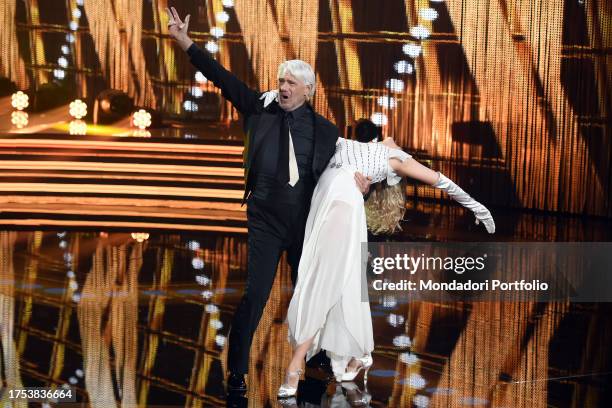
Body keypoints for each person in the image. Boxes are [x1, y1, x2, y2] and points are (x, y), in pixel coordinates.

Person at [165, 7, 371, 393]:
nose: (284, 87)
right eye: (281, 81)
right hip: (265, 219)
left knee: (313, 293)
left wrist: (362, 184)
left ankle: (318, 358)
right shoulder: (258, 108)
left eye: (292, 83)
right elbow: (221, 77)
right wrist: (185, 43)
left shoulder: (325, 131)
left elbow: (349, 167)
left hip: (305, 224)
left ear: (309, 90)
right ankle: (237, 372)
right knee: (255, 295)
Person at [277, 135, 495, 398]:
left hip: (343, 209)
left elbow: (440, 180)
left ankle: (295, 365)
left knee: (324, 282)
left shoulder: (398, 159)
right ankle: (362, 353)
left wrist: (478, 208)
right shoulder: (351, 141)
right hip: (320, 205)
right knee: (333, 282)